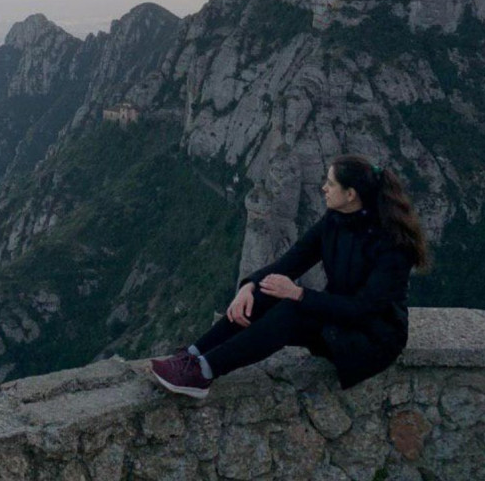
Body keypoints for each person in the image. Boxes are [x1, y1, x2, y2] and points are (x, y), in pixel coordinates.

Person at [150, 154, 429, 398]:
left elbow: (363, 310)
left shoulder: (392, 246)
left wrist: (299, 294)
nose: (323, 188)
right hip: (337, 317)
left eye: (330, 183)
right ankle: (193, 354)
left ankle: (204, 372)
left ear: (351, 194)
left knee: (291, 311)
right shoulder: (334, 221)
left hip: (372, 337)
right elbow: (291, 262)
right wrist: (249, 287)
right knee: (267, 290)